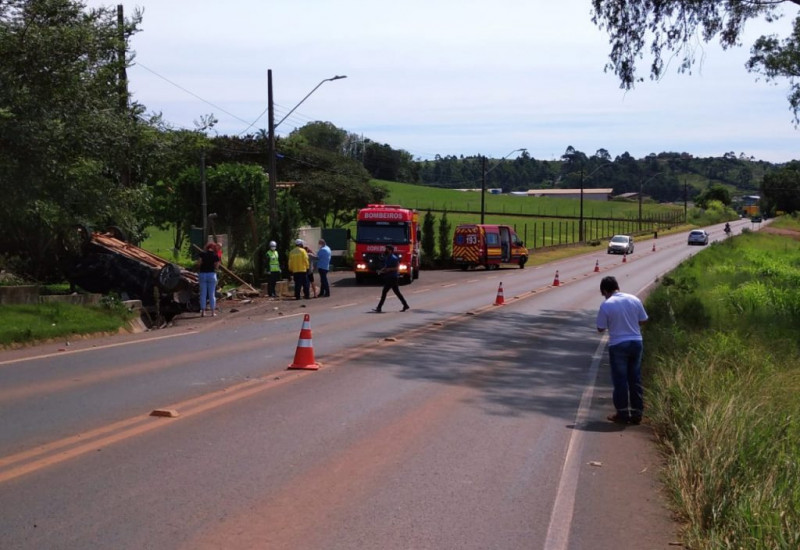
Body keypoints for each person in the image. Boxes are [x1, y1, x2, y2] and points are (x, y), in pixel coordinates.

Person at [596, 276, 648, 424]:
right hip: (636, 342)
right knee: (635, 378)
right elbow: (643, 319)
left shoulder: (607, 305)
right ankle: (637, 413)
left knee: (620, 381)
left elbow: (600, 328)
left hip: (618, 344)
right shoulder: (634, 299)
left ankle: (623, 414)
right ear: (617, 287)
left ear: (605, 290)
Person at [373, 244, 410, 313]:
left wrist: (389, 270)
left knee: (384, 292)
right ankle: (405, 305)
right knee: (397, 292)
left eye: (386, 249)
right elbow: (386, 267)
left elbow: (397, 268)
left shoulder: (394, 258)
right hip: (389, 277)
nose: (385, 250)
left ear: (390, 250)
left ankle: (379, 307)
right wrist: (381, 270)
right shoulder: (388, 257)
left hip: (392, 277)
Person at [196, 242, 220, 317]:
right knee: (212, 294)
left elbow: (198, 264)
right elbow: (216, 267)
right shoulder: (215, 256)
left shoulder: (202, 254)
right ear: (214, 248)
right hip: (211, 275)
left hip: (203, 274)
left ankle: (203, 312)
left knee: (203, 294)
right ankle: (213, 312)